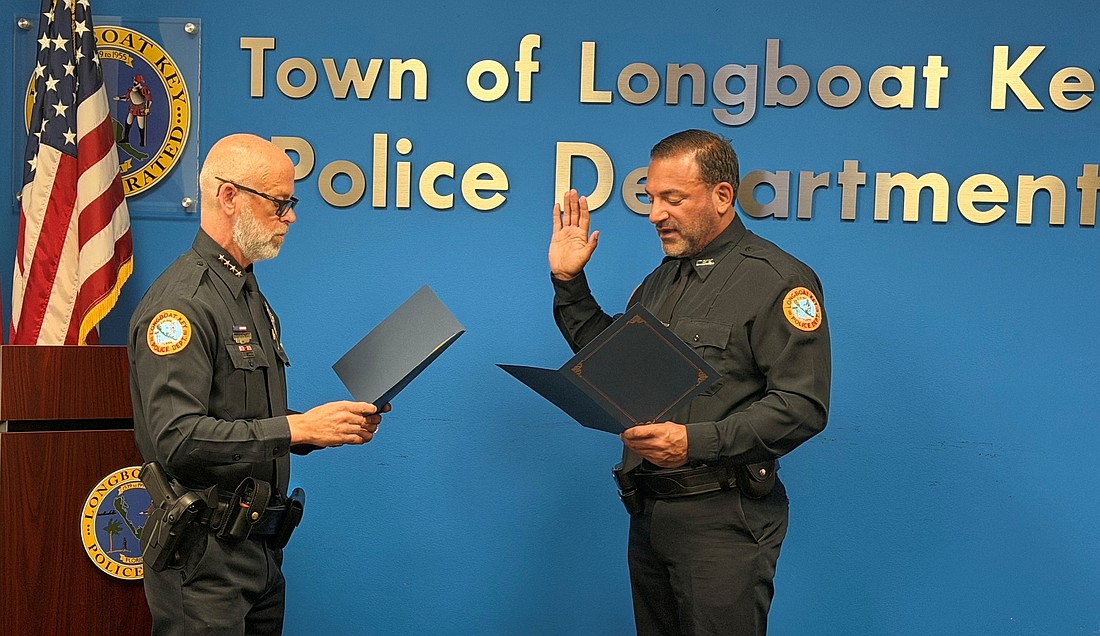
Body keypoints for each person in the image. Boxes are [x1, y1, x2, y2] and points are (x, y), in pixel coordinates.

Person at [548, 129, 830, 635]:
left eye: (672, 199)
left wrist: (693, 442)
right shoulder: (659, 282)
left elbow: (802, 405)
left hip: (723, 522)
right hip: (650, 514)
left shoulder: (778, 280)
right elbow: (613, 368)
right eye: (651, 197)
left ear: (722, 196)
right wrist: (571, 284)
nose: (655, 213)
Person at [128, 133, 387, 635]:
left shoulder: (246, 293)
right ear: (229, 196)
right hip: (202, 561)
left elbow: (239, 420)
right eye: (280, 202)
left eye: (291, 203)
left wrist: (322, 426)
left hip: (258, 551)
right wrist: (297, 430)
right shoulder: (182, 304)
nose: (290, 217)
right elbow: (177, 439)